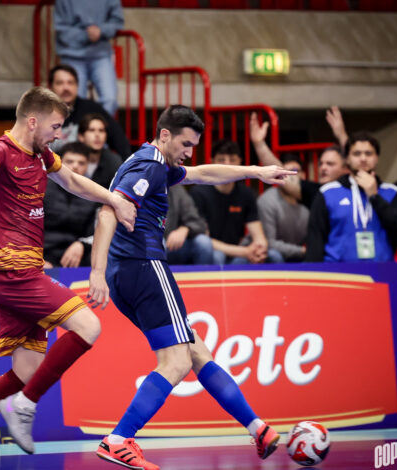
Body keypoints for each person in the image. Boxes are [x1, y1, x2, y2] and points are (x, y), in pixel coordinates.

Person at [0, 87, 135, 469]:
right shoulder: (2, 150)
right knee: (88, 325)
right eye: (55, 127)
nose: (59, 134)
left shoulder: (41, 155)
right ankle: (24, 406)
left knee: (25, 374)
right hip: (14, 272)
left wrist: (114, 199)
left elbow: (72, 181)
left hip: (21, 274)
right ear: (33, 121)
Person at [86, 105, 295, 469]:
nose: (189, 153)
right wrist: (96, 272)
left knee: (196, 351)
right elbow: (107, 211)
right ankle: (118, 438)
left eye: (193, 145)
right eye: (185, 144)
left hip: (129, 272)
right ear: (164, 135)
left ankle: (256, 427)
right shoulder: (149, 165)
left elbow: (199, 174)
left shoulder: (154, 162)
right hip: (144, 267)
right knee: (177, 361)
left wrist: (255, 172)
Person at [305, 131, 397, 262]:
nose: (363, 158)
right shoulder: (328, 193)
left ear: (377, 157)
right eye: (356, 154)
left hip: (383, 271)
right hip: (338, 272)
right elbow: (315, 238)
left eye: (368, 153)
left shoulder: (391, 191)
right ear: (347, 159)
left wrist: (374, 196)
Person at [190, 140, 282, 265]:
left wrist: (260, 249)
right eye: (221, 160)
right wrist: (245, 252)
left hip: (239, 253)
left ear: (240, 162)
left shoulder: (246, 193)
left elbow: (258, 234)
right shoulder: (199, 193)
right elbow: (205, 241)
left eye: (232, 160)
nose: (227, 165)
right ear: (212, 162)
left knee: (274, 256)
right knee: (218, 256)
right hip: (219, 251)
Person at [250, 112, 347, 210]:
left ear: (345, 168)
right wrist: (259, 144)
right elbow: (281, 174)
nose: (323, 168)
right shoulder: (316, 192)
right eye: (321, 163)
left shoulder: (354, 190)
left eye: (330, 164)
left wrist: (342, 136)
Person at [53, 0, 124, 116]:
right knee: (73, 102)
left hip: (101, 54)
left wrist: (101, 31)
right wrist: (86, 36)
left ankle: (97, 130)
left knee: (110, 99)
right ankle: (78, 132)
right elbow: (61, 29)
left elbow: (117, 22)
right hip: (71, 54)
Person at [48, 64, 131, 159]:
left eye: (70, 83)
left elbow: (117, 137)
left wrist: (130, 166)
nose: (66, 88)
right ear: (51, 87)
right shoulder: (43, 112)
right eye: (60, 83)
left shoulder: (91, 108)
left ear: (77, 86)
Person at [43, 142, 99, 268]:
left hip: (76, 254)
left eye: (81, 163)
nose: (75, 166)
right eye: (70, 161)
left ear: (87, 166)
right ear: (60, 163)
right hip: (42, 253)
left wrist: (82, 244)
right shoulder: (41, 188)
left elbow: (96, 232)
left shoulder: (94, 194)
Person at [257, 153, 310, 262]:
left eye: (295, 171)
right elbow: (269, 243)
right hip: (266, 254)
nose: (290, 176)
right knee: (274, 255)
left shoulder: (311, 200)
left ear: (303, 175)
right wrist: (303, 251)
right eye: (285, 172)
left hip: (297, 255)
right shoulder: (267, 200)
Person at [165, 185, 213, 265]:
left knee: (204, 242)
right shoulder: (141, 189)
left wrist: (185, 229)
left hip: (179, 244)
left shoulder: (175, 189)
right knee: (156, 245)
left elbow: (199, 223)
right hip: (154, 244)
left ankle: (202, 277)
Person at [77, 113, 122, 188]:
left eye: (101, 130)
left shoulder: (114, 161)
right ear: (81, 136)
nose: (97, 135)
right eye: (91, 130)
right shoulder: (69, 158)